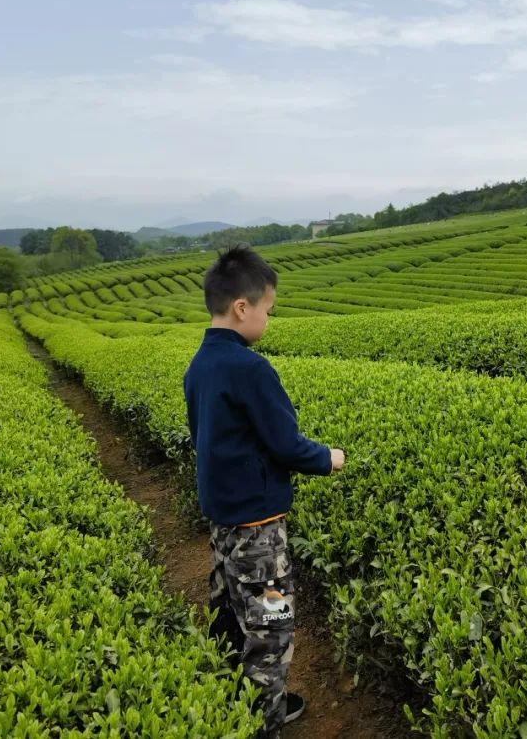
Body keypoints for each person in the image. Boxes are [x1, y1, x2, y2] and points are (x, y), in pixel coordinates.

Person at [183, 244, 346, 739]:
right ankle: (264, 723)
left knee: (232, 618)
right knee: (270, 632)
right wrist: (328, 458)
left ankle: (244, 705)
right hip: (258, 534)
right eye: (268, 310)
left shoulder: (199, 366)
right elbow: (286, 445)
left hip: (224, 523)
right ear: (242, 308)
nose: (268, 320)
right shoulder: (251, 370)